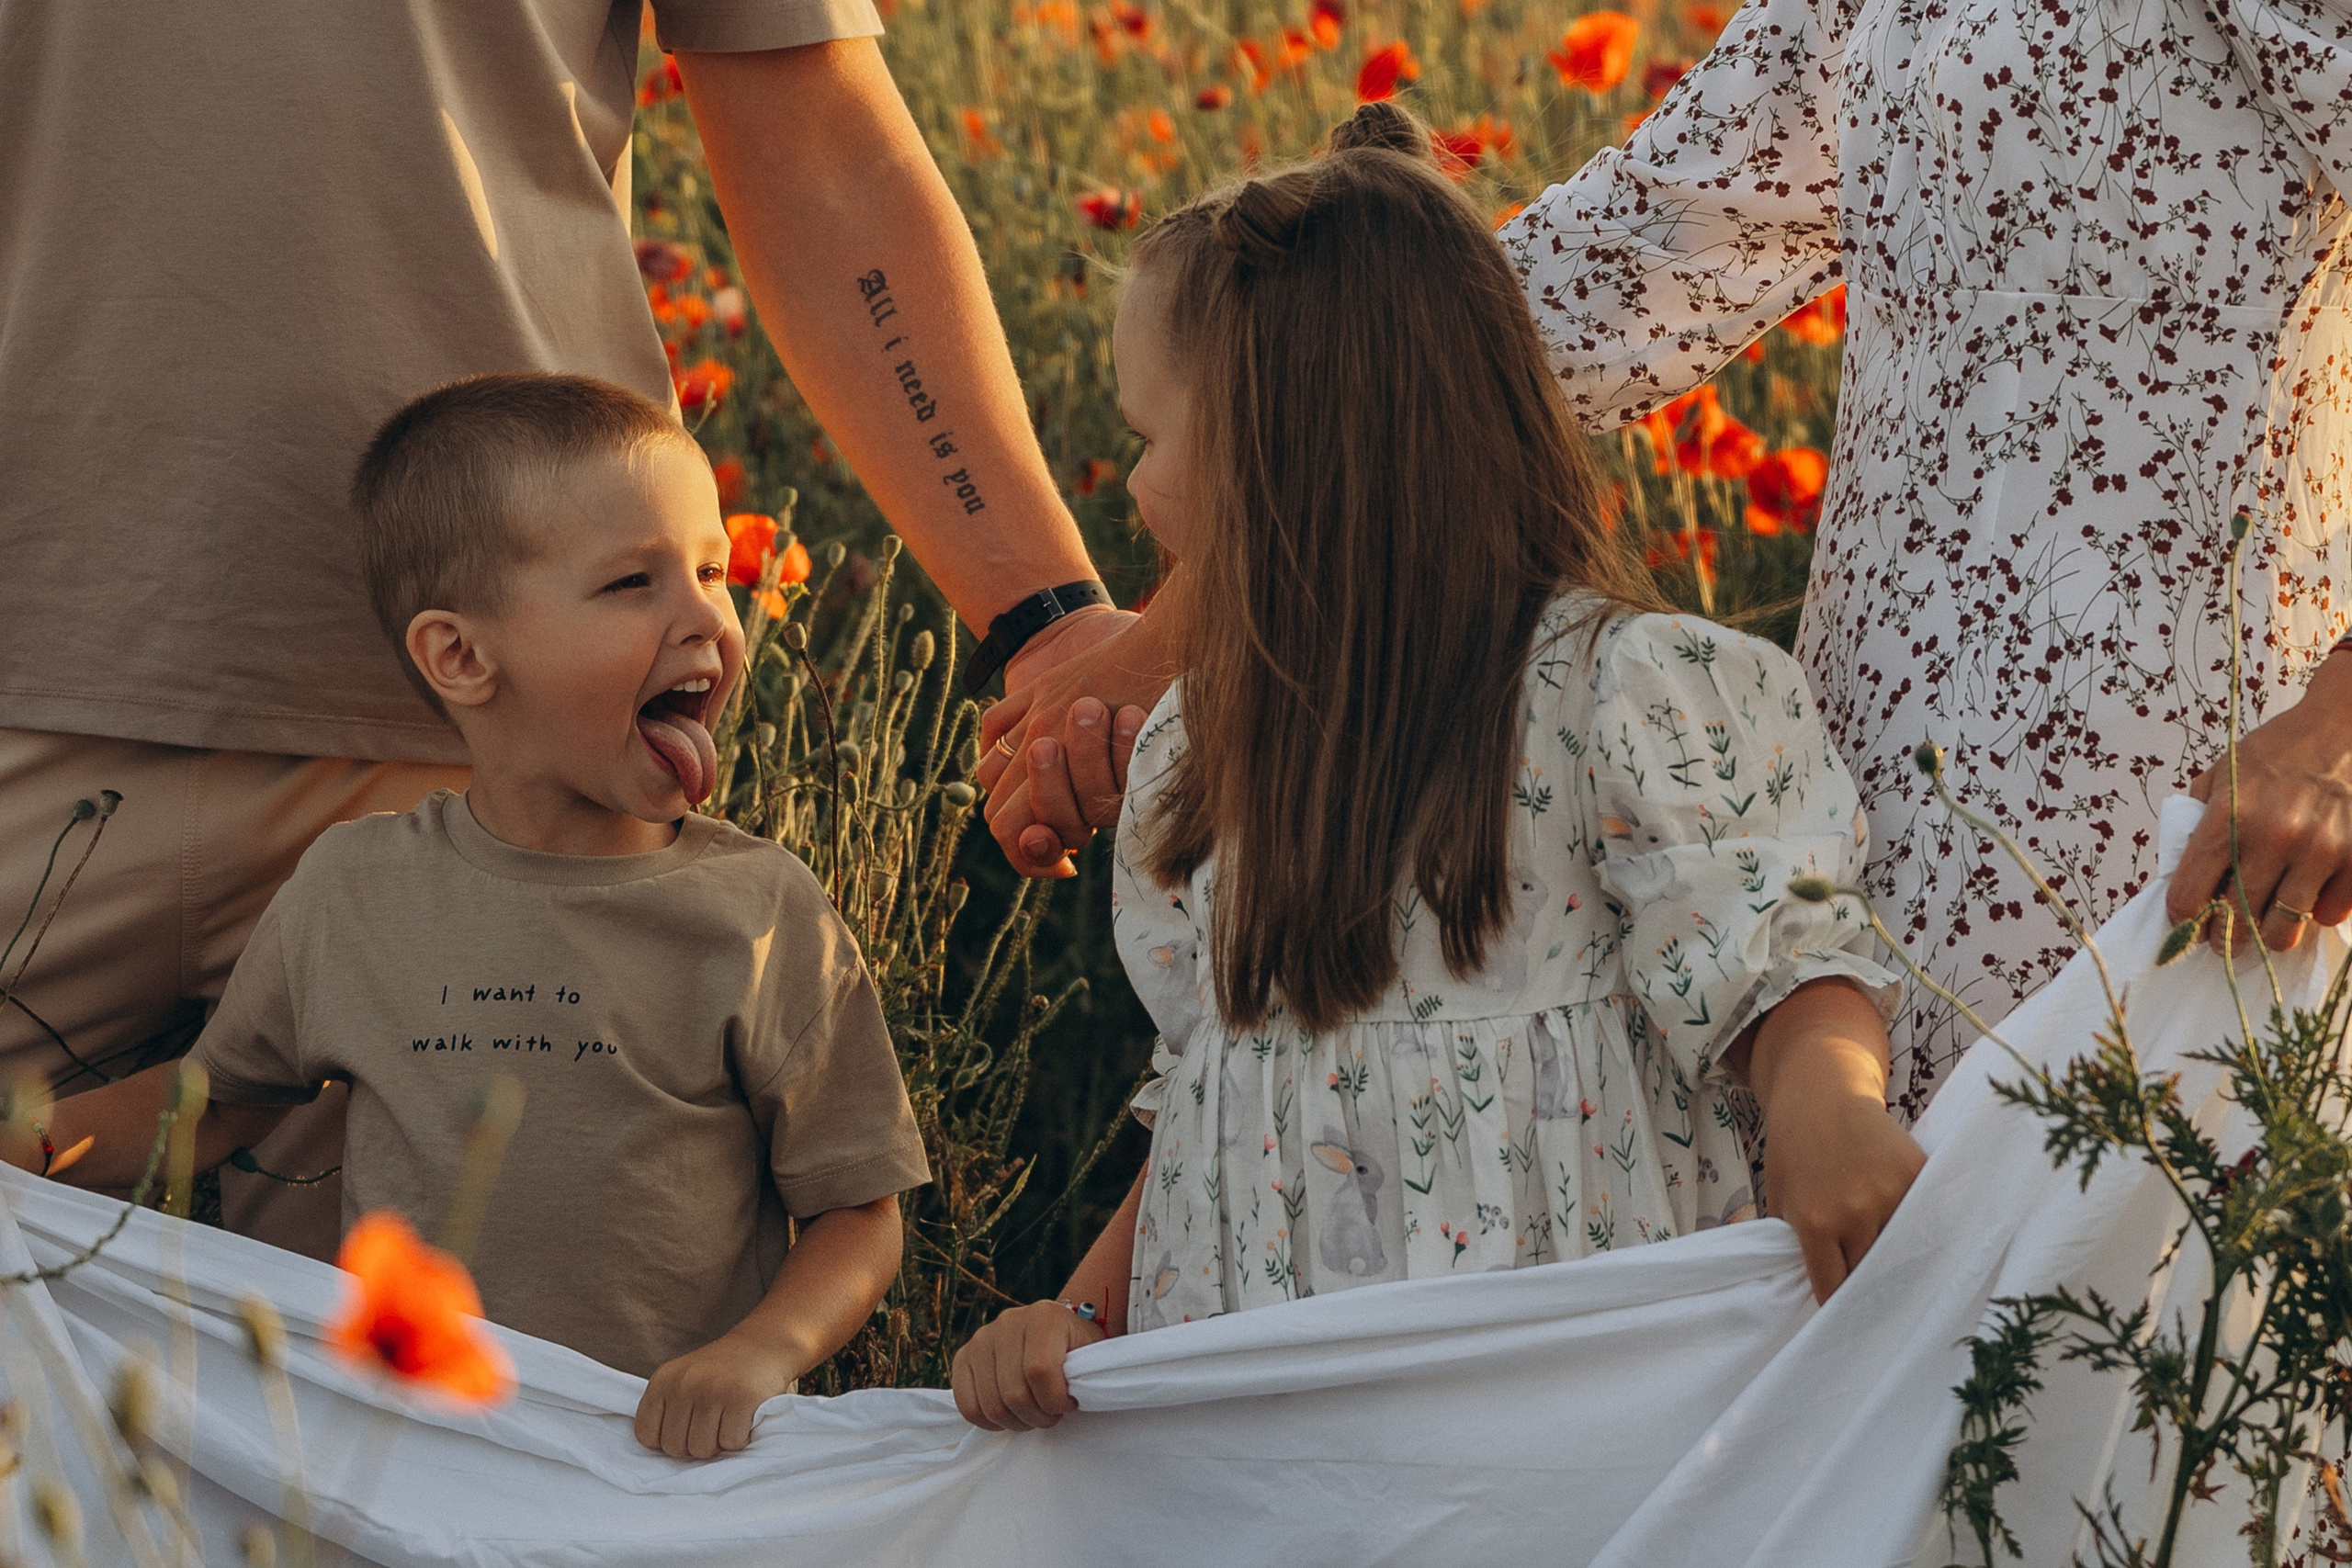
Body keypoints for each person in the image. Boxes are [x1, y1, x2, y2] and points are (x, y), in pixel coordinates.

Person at [0, 4, 1120, 1258]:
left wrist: (1045, 613)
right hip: (30, 690)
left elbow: (824, 151)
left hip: (504, 755)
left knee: (456, 1425)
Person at [949, 105, 1927, 1431]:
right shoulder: (1215, 740)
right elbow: (1218, 1094)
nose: (1136, 482)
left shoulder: (1621, 696)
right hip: (1279, 1422)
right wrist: (1076, 1316)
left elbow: (1779, 947)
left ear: (1279, 452)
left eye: (1149, 432)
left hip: (1559, 1410)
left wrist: (1828, 1102)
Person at [4, 375, 932, 1460]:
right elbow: (215, 1106)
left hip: (667, 1467)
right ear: (461, 657)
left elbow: (859, 1211)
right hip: (408, 1454)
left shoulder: (760, 912)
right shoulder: (354, 889)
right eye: (634, 582)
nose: (706, 619)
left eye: (713, 571)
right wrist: (21, 1152)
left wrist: (760, 1353)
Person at [1497, 0, 2352, 1116]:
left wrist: (2335, 732)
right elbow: (1623, 261)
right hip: (1868, 806)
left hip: (2201, 812)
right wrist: (1260, 341)